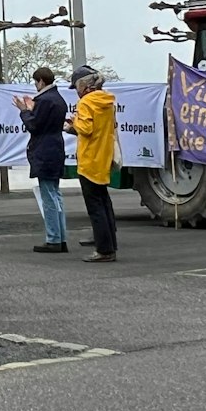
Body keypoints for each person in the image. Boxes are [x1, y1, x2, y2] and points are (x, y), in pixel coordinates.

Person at [15, 65, 69, 254]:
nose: (35, 86)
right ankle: (60, 237)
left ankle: (53, 238)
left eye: (35, 82)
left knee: (48, 196)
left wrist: (25, 110)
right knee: (56, 194)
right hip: (56, 147)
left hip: (44, 151)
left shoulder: (45, 100)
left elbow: (34, 125)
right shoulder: (58, 99)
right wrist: (32, 109)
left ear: (41, 81)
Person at [68, 66, 118, 264]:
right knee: (104, 204)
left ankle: (104, 250)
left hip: (89, 160)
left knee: (95, 208)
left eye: (77, 87)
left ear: (84, 85)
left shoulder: (86, 102)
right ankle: (110, 245)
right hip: (103, 156)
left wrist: (74, 122)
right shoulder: (107, 101)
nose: (77, 91)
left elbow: (87, 128)